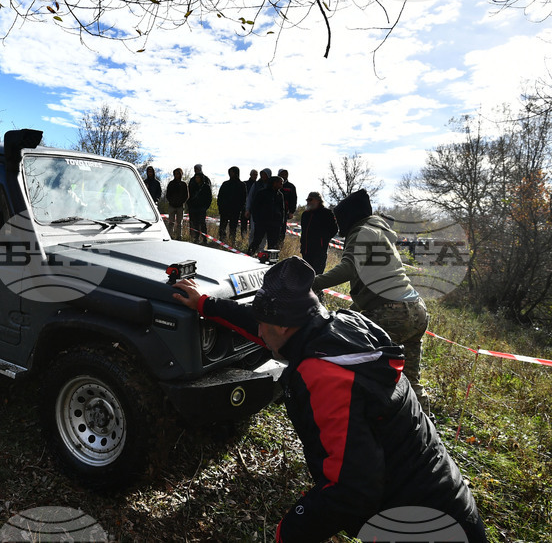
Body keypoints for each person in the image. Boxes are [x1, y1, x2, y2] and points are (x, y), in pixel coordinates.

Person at [171, 257, 487, 543]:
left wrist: (289, 533)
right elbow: (263, 328)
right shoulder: (338, 327)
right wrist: (206, 304)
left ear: (282, 324)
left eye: (265, 322)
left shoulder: (325, 376)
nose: (261, 332)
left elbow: (352, 489)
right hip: (445, 499)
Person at [312, 189, 430, 406]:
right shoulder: (380, 230)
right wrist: (353, 311)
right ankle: (425, 429)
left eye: (339, 219)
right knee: (411, 380)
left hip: (391, 311)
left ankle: (363, 417)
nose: (338, 225)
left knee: (360, 365)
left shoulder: (360, 232)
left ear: (350, 216)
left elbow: (349, 267)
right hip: (416, 310)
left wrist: (312, 282)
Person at [299, 191, 338, 275]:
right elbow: (303, 231)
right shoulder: (305, 214)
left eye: (310, 199)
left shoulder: (327, 213)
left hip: (319, 250)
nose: (308, 202)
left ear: (318, 200)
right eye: (307, 200)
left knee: (317, 275)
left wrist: (324, 239)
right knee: (305, 275)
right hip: (306, 250)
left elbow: (334, 229)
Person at [247, 175, 284, 256]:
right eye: (280, 183)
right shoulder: (262, 193)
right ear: (274, 183)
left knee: (273, 245)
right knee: (257, 241)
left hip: (274, 224)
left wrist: (280, 223)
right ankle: (249, 255)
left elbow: (282, 210)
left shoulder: (280, 195)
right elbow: (255, 207)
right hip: (262, 222)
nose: (281, 185)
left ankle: (272, 261)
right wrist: (257, 220)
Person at [217, 166, 246, 246]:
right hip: (224, 209)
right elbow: (220, 197)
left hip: (235, 210)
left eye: (232, 172)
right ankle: (222, 241)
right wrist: (220, 207)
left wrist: (240, 209)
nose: (231, 174)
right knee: (222, 227)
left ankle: (231, 242)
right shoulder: (225, 184)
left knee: (233, 228)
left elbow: (243, 198)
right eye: (230, 172)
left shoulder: (241, 185)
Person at [186, 164, 213, 245]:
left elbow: (209, 196)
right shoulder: (192, 180)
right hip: (193, 207)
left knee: (202, 223)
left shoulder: (206, 181)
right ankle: (195, 238)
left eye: (197, 169)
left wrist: (206, 206)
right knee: (194, 223)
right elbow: (188, 193)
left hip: (202, 207)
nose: (195, 170)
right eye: (195, 169)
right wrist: (189, 204)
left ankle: (204, 239)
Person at [245, 168, 271, 250]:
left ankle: (261, 250)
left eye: (265, 174)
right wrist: (247, 209)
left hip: (266, 214)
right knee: (253, 231)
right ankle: (251, 248)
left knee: (264, 233)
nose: (263, 176)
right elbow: (250, 198)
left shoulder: (271, 185)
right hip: (255, 212)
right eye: (262, 174)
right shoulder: (256, 185)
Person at [165, 168, 189, 240]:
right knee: (170, 223)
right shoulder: (171, 184)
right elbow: (167, 194)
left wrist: (181, 202)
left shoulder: (184, 184)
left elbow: (186, 195)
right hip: (172, 206)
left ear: (181, 174)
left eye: (178, 173)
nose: (177, 175)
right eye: (175, 174)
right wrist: (171, 201)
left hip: (180, 206)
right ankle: (170, 236)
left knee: (179, 223)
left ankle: (179, 236)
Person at [278, 169, 298, 246]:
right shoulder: (275, 184)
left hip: (285, 212)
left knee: (282, 231)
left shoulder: (291, 187)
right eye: (282, 174)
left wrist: (292, 211)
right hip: (274, 212)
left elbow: (294, 199)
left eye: (285, 174)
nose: (284, 175)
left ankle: (279, 247)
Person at [240, 169, 257, 241]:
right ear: (250, 175)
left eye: (256, 175)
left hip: (254, 208)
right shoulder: (245, 183)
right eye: (254, 174)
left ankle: (250, 240)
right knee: (243, 224)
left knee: (252, 226)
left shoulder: (258, 184)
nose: (255, 176)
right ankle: (243, 239)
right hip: (244, 207)